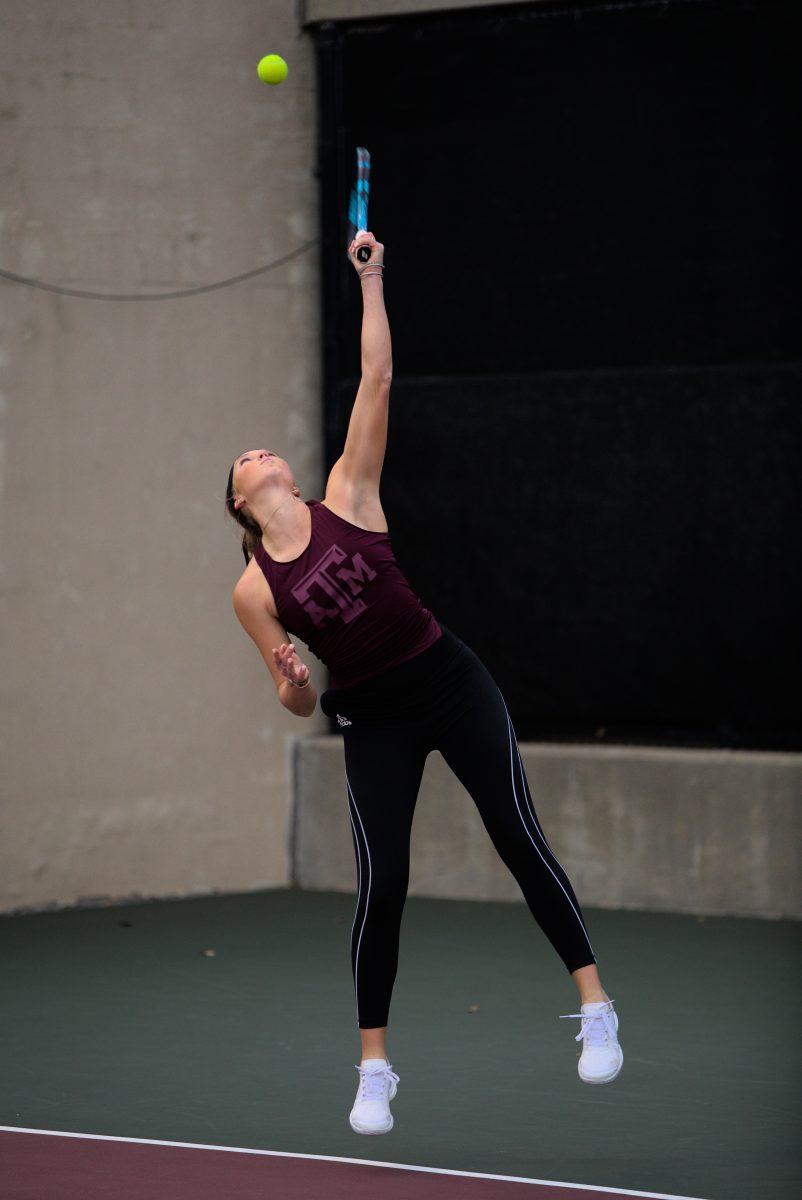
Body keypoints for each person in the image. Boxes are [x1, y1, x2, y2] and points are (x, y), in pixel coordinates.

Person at [225, 231, 623, 1136]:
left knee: (516, 833)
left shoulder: (348, 495)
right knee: (383, 882)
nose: (262, 453)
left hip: (449, 680)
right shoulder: (253, 591)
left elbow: (377, 381)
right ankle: (375, 1068)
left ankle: (595, 1005)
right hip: (372, 719)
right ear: (240, 502)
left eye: (265, 448)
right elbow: (291, 702)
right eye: (245, 459)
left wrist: (373, 281)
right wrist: (290, 677)